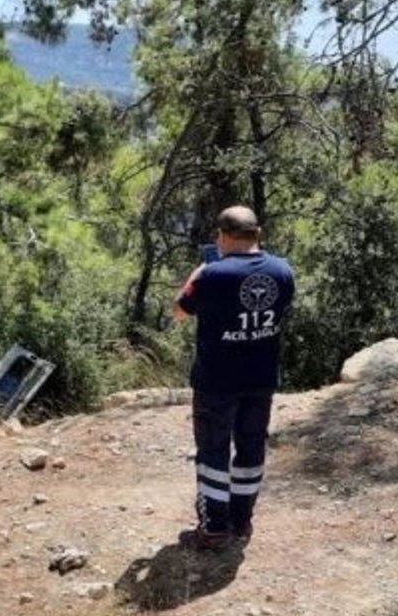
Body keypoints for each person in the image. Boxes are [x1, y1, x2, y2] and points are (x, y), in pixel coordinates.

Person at [173, 205, 295, 550]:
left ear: (223, 236)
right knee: (251, 448)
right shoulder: (284, 271)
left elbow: (180, 311)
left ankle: (213, 527)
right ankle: (241, 522)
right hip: (261, 378)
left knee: (213, 450)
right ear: (258, 234)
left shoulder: (212, 275)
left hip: (216, 380)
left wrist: (199, 273)